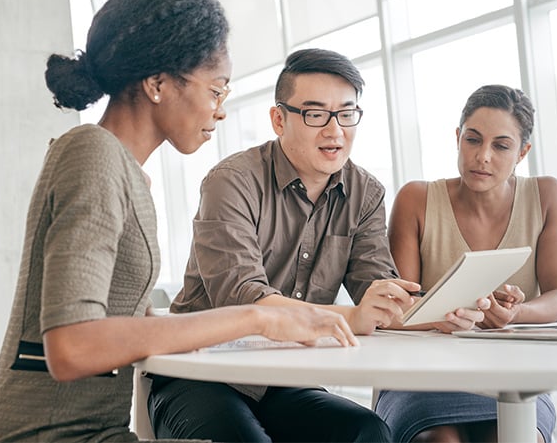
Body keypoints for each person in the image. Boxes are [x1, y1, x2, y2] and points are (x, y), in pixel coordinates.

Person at [0, 0, 359, 443]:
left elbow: (125, 321)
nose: (221, 110)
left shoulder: (127, 173)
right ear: (157, 84)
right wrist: (257, 317)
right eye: (215, 90)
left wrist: (265, 323)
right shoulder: (93, 154)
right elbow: (71, 345)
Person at [147, 48, 487, 442]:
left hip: (286, 378)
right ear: (279, 119)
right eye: (315, 114)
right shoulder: (232, 181)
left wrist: (445, 313)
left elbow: (378, 294)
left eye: (346, 113)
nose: (334, 130)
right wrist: (352, 317)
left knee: (368, 431)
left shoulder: (366, 193)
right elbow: (241, 298)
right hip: (201, 373)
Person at [374, 84, 557, 443]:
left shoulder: (547, 196)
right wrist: (446, 319)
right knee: (440, 441)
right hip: (421, 376)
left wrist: (516, 314)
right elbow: (396, 312)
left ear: (522, 152)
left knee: (508, 437)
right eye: (473, 140)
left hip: (510, 377)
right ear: (457, 138)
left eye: (501, 146)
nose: (483, 156)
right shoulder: (416, 199)